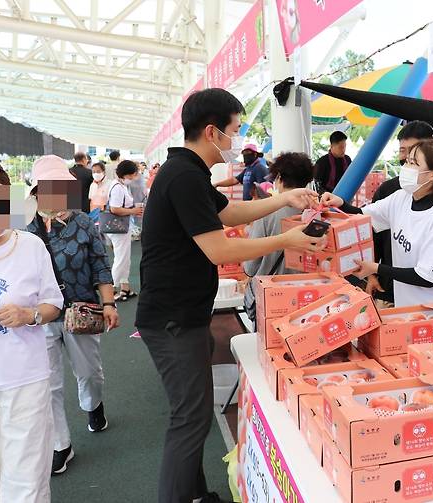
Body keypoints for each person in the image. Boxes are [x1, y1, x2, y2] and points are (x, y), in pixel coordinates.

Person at [135, 88, 324, 503]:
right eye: (235, 130)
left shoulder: (188, 171)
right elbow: (219, 248)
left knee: (194, 415)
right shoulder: (184, 176)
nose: (237, 139)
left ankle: (196, 493)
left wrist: (283, 199)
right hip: (173, 318)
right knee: (190, 418)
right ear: (211, 131)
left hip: (183, 312)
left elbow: (226, 213)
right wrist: (287, 236)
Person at [26, 155, 119, 475]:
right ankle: (60, 444)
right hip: (39, 318)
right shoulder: (23, 227)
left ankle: (93, 406)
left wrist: (108, 304)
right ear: (36, 192)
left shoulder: (82, 223)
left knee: (88, 371)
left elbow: (100, 265)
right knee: (48, 382)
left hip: (81, 310)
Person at [322, 139, 433, 314]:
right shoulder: (401, 198)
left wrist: (376, 268)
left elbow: (426, 277)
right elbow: (364, 216)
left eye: (414, 163)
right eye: (407, 161)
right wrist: (340, 203)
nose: (406, 166)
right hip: (409, 311)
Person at [0, 164, 64, 503]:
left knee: (26, 478)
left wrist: (29, 315)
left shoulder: (31, 246)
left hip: (24, 377)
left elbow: (54, 303)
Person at [369, 121, 433, 306]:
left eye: (414, 151)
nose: (407, 158)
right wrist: (372, 274)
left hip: (432, 297)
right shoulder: (390, 190)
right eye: (403, 151)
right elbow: (370, 232)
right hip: (390, 290)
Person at [243, 152, 314, 323]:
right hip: (309, 297)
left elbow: (251, 266)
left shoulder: (266, 211)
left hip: (271, 298)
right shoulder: (316, 213)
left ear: (279, 177)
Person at [103, 160, 143, 302]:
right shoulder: (118, 188)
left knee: (124, 259)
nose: (134, 177)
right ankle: (112, 290)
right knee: (120, 259)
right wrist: (133, 210)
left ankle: (125, 288)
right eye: (133, 174)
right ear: (127, 174)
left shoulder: (118, 185)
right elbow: (115, 208)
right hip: (119, 228)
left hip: (120, 227)